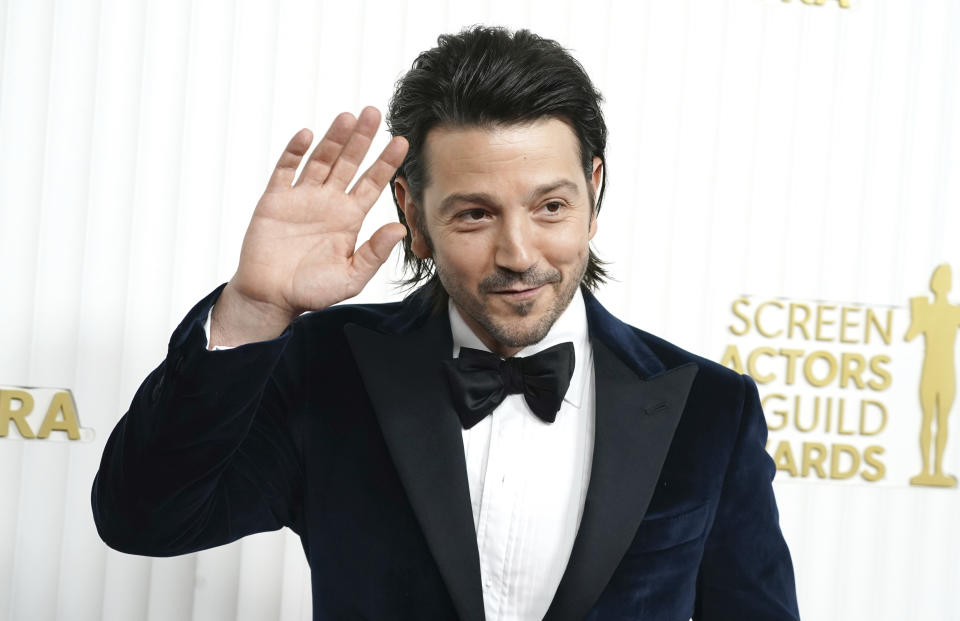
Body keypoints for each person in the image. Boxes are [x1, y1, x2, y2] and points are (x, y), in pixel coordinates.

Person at [92, 26, 800, 621]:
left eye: (550, 206)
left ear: (594, 189)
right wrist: (253, 309)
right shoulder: (328, 367)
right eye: (475, 213)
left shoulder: (711, 408)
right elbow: (144, 518)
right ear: (413, 214)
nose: (519, 254)